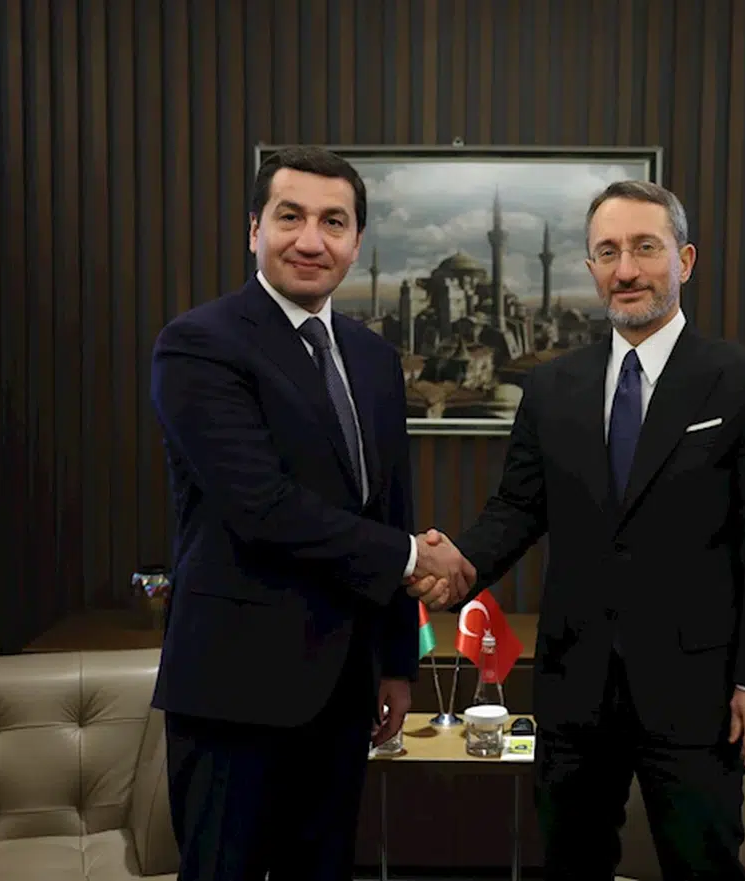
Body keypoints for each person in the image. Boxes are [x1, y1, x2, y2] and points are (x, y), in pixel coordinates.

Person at [410, 180, 745, 879]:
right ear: (591, 267)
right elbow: (517, 508)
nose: (626, 269)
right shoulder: (551, 387)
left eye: (645, 248)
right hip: (575, 685)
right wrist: (461, 562)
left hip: (697, 691)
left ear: (684, 260)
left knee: (703, 866)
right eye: (608, 251)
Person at [149, 145, 475, 881]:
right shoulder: (199, 344)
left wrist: (397, 662)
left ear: (356, 243)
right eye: (290, 216)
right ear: (254, 229)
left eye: (334, 222)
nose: (310, 240)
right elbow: (261, 505)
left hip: (343, 687)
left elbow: (390, 504)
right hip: (233, 689)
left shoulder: (374, 358)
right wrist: (413, 556)